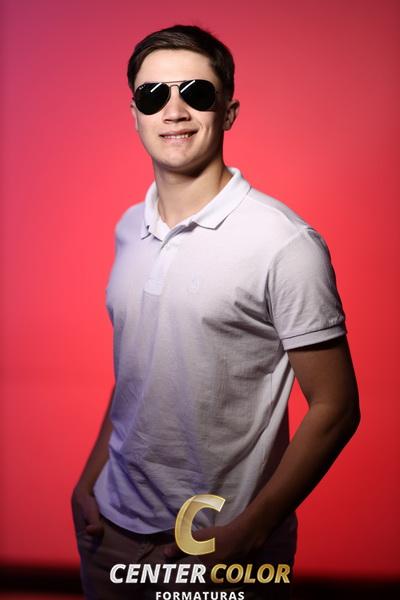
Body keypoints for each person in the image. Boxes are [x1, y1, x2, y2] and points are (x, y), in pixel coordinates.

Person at [71, 23, 360, 600]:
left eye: (196, 92)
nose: (174, 110)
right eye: (154, 95)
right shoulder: (129, 228)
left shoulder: (284, 243)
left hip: (220, 549)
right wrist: (87, 482)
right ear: (134, 115)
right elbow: (139, 372)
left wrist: (252, 530)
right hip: (111, 536)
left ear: (228, 111)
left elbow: (337, 408)